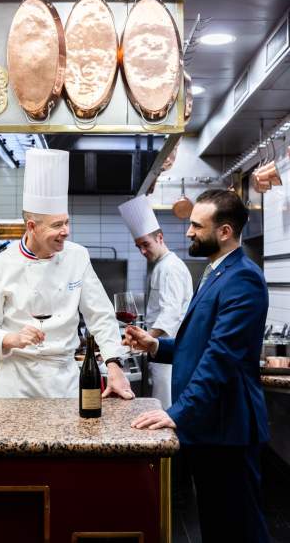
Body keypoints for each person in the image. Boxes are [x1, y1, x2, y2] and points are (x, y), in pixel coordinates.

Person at [125, 189, 270, 543]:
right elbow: (199, 343)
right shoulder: (216, 273)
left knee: (240, 526)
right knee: (218, 524)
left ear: (224, 232)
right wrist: (155, 345)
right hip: (210, 427)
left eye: (195, 225)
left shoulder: (243, 279)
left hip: (228, 427)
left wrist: (180, 412)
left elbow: (221, 356)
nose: (187, 232)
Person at [0, 148, 134, 400]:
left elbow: (100, 316)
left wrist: (114, 364)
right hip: (15, 382)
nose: (66, 231)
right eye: (57, 225)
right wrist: (11, 338)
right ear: (32, 227)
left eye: (67, 222)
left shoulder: (77, 256)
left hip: (63, 380)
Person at [119, 195, 193, 408]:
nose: (142, 251)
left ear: (160, 237)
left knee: (165, 405)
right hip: (159, 348)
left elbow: (170, 313)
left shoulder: (171, 267)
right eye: (138, 246)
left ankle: (168, 442)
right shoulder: (162, 265)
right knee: (160, 403)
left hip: (168, 348)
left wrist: (146, 338)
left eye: (145, 244)